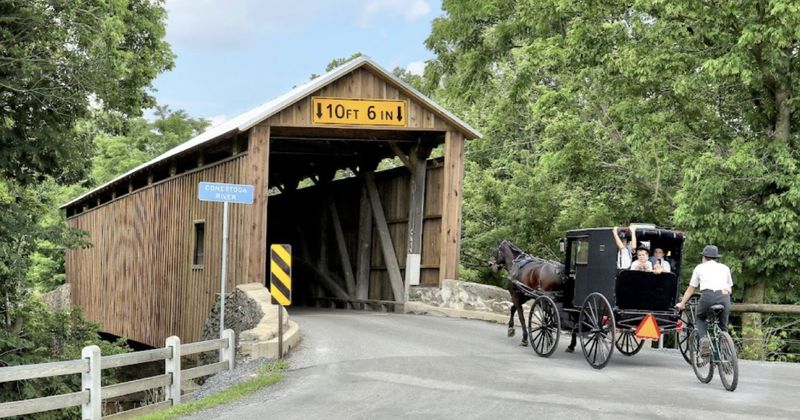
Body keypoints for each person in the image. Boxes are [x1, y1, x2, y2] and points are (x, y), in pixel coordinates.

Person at [675, 245, 733, 356]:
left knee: (700, 317)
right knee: (723, 325)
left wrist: (682, 303)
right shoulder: (725, 268)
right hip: (724, 297)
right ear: (716, 258)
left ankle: (704, 340)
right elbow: (729, 288)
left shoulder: (699, 268)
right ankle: (725, 347)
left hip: (708, 296)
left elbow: (691, 289)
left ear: (704, 257)